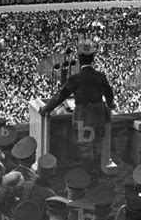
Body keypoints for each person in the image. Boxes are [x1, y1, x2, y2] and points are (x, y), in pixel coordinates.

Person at [39, 41, 115, 180]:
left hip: (84, 117)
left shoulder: (75, 79)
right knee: (97, 144)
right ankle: (97, 174)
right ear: (92, 59)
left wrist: (46, 108)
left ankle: (90, 178)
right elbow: (109, 94)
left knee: (85, 148)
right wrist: (109, 106)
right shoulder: (100, 75)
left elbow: (60, 96)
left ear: (79, 60)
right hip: (99, 116)